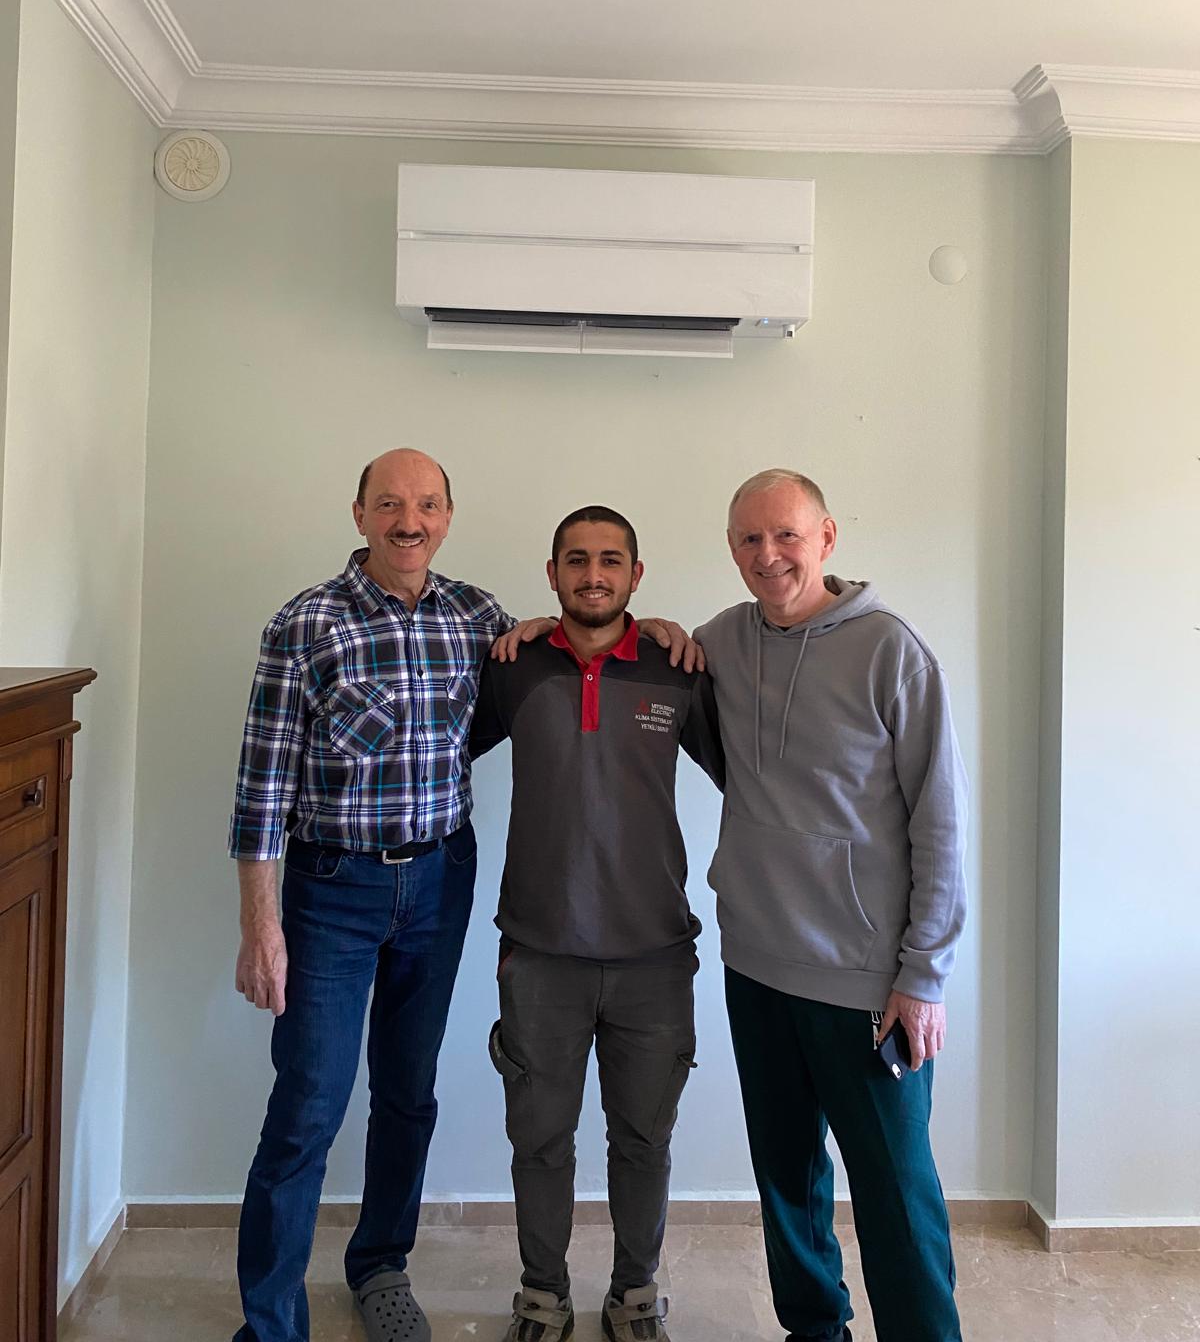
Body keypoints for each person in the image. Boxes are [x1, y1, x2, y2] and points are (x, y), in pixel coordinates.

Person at [228, 449, 695, 1342]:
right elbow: (261, 788)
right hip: (333, 888)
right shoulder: (305, 623)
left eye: (427, 505)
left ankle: (380, 1268)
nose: (409, 522)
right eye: (390, 504)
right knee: (309, 1106)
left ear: (447, 516)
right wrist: (261, 924)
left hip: (441, 882)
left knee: (409, 1092)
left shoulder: (479, 619)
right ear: (359, 514)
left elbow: (579, 644)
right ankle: (271, 1324)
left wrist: (657, 629)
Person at [695, 469, 967, 1342]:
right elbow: (634, 659)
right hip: (756, 964)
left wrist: (923, 977)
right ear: (731, 547)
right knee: (786, 1177)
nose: (768, 554)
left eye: (786, 534)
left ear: (826, 537)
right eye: (749, 538)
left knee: (896, 1190)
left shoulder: (892, 651)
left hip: (866, 982)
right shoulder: (721, 642)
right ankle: (814, 1329)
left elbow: (942, 823)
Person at [470, 506, 723, 1342]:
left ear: (635, 576)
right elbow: (435, 754)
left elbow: (753, 781)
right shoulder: (513, 667)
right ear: (552, 574)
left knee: (643, 1141)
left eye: (611, 560)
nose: (593, 575)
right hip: (540, 954)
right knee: (539, 1142)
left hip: (656, 956)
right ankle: (542, 1294)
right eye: (576, 560)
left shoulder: (676, 669)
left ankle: (635, 1293)